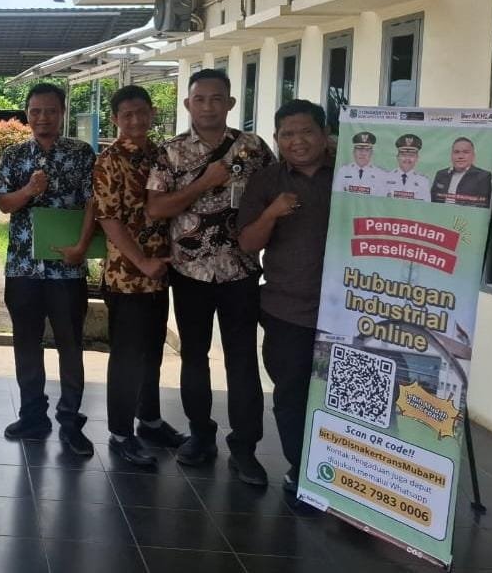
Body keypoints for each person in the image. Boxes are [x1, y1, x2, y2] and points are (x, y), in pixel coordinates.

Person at [146, 68, 275, 485]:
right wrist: (204, 183)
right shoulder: (170, 152)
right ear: (188, 104)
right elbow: (156, 208)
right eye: (199, 99)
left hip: (240, 270)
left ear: (231, 103)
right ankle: (201, 435)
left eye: (217, 98)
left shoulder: (254, 148)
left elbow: (275, 194)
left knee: (243, 360)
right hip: (190, 272)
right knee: (194, 356)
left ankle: (245, 448)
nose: (208, 107)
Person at [0, 82, 97, 456]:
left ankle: (70, 421)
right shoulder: (13, 155)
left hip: (67, 270)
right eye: (36, 111)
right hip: (23, 268)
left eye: (50, 111)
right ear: (27, 114)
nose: (43, 118)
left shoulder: (81, 153)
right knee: (26, 344)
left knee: (71, 346)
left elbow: (92, 203)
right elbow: (4, 204)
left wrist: (82, 248)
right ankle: (32, 415)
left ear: (62, 113)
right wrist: (29, 191)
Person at [237, 99, 333, 493]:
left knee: (341, 397)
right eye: (288, 134)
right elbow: (247, 243)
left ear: (325, 134)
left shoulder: (353, 175)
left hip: (350, 311)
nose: (298, 141)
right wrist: (272, 214)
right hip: (288, 309)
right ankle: (301, 472)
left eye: (307, 131)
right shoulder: (267, 181)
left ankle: (345, 476)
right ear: (277, 139)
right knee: (292, 395)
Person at [94, 85, 186, 467]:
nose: (135, 120)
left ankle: (149, 420)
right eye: (126, 114)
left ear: (152, 113)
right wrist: (142, 261)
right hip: (127, 277)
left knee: (152, 351)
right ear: (115, 119)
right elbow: (108, 219)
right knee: (127, 357)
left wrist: (157, 264)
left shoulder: (161, 155)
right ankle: (120, 433)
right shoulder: (109, 161)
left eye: (141, 112)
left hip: (160, 273)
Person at [430, 137, 492, 208]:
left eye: (465, 152)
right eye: (456, 152)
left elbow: (482, 206)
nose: (460, 156)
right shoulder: (441, 174)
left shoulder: (483, 176)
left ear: (473, 156)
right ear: (451, 155)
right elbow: (433, 201)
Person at [332, 131, 386, 195]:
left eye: (367, 150)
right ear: (354, 152)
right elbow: (337, 195)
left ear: (371, 153)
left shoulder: (380, 174)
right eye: (359, 149)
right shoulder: (343, 171)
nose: (362, 153)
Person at [382, 134, 428, 200]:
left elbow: (426, 204)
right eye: (403, 155)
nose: (407, 159)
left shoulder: (423, 181)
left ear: (417, 158)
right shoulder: (386, 177)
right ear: (397, 157)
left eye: (411, 155)